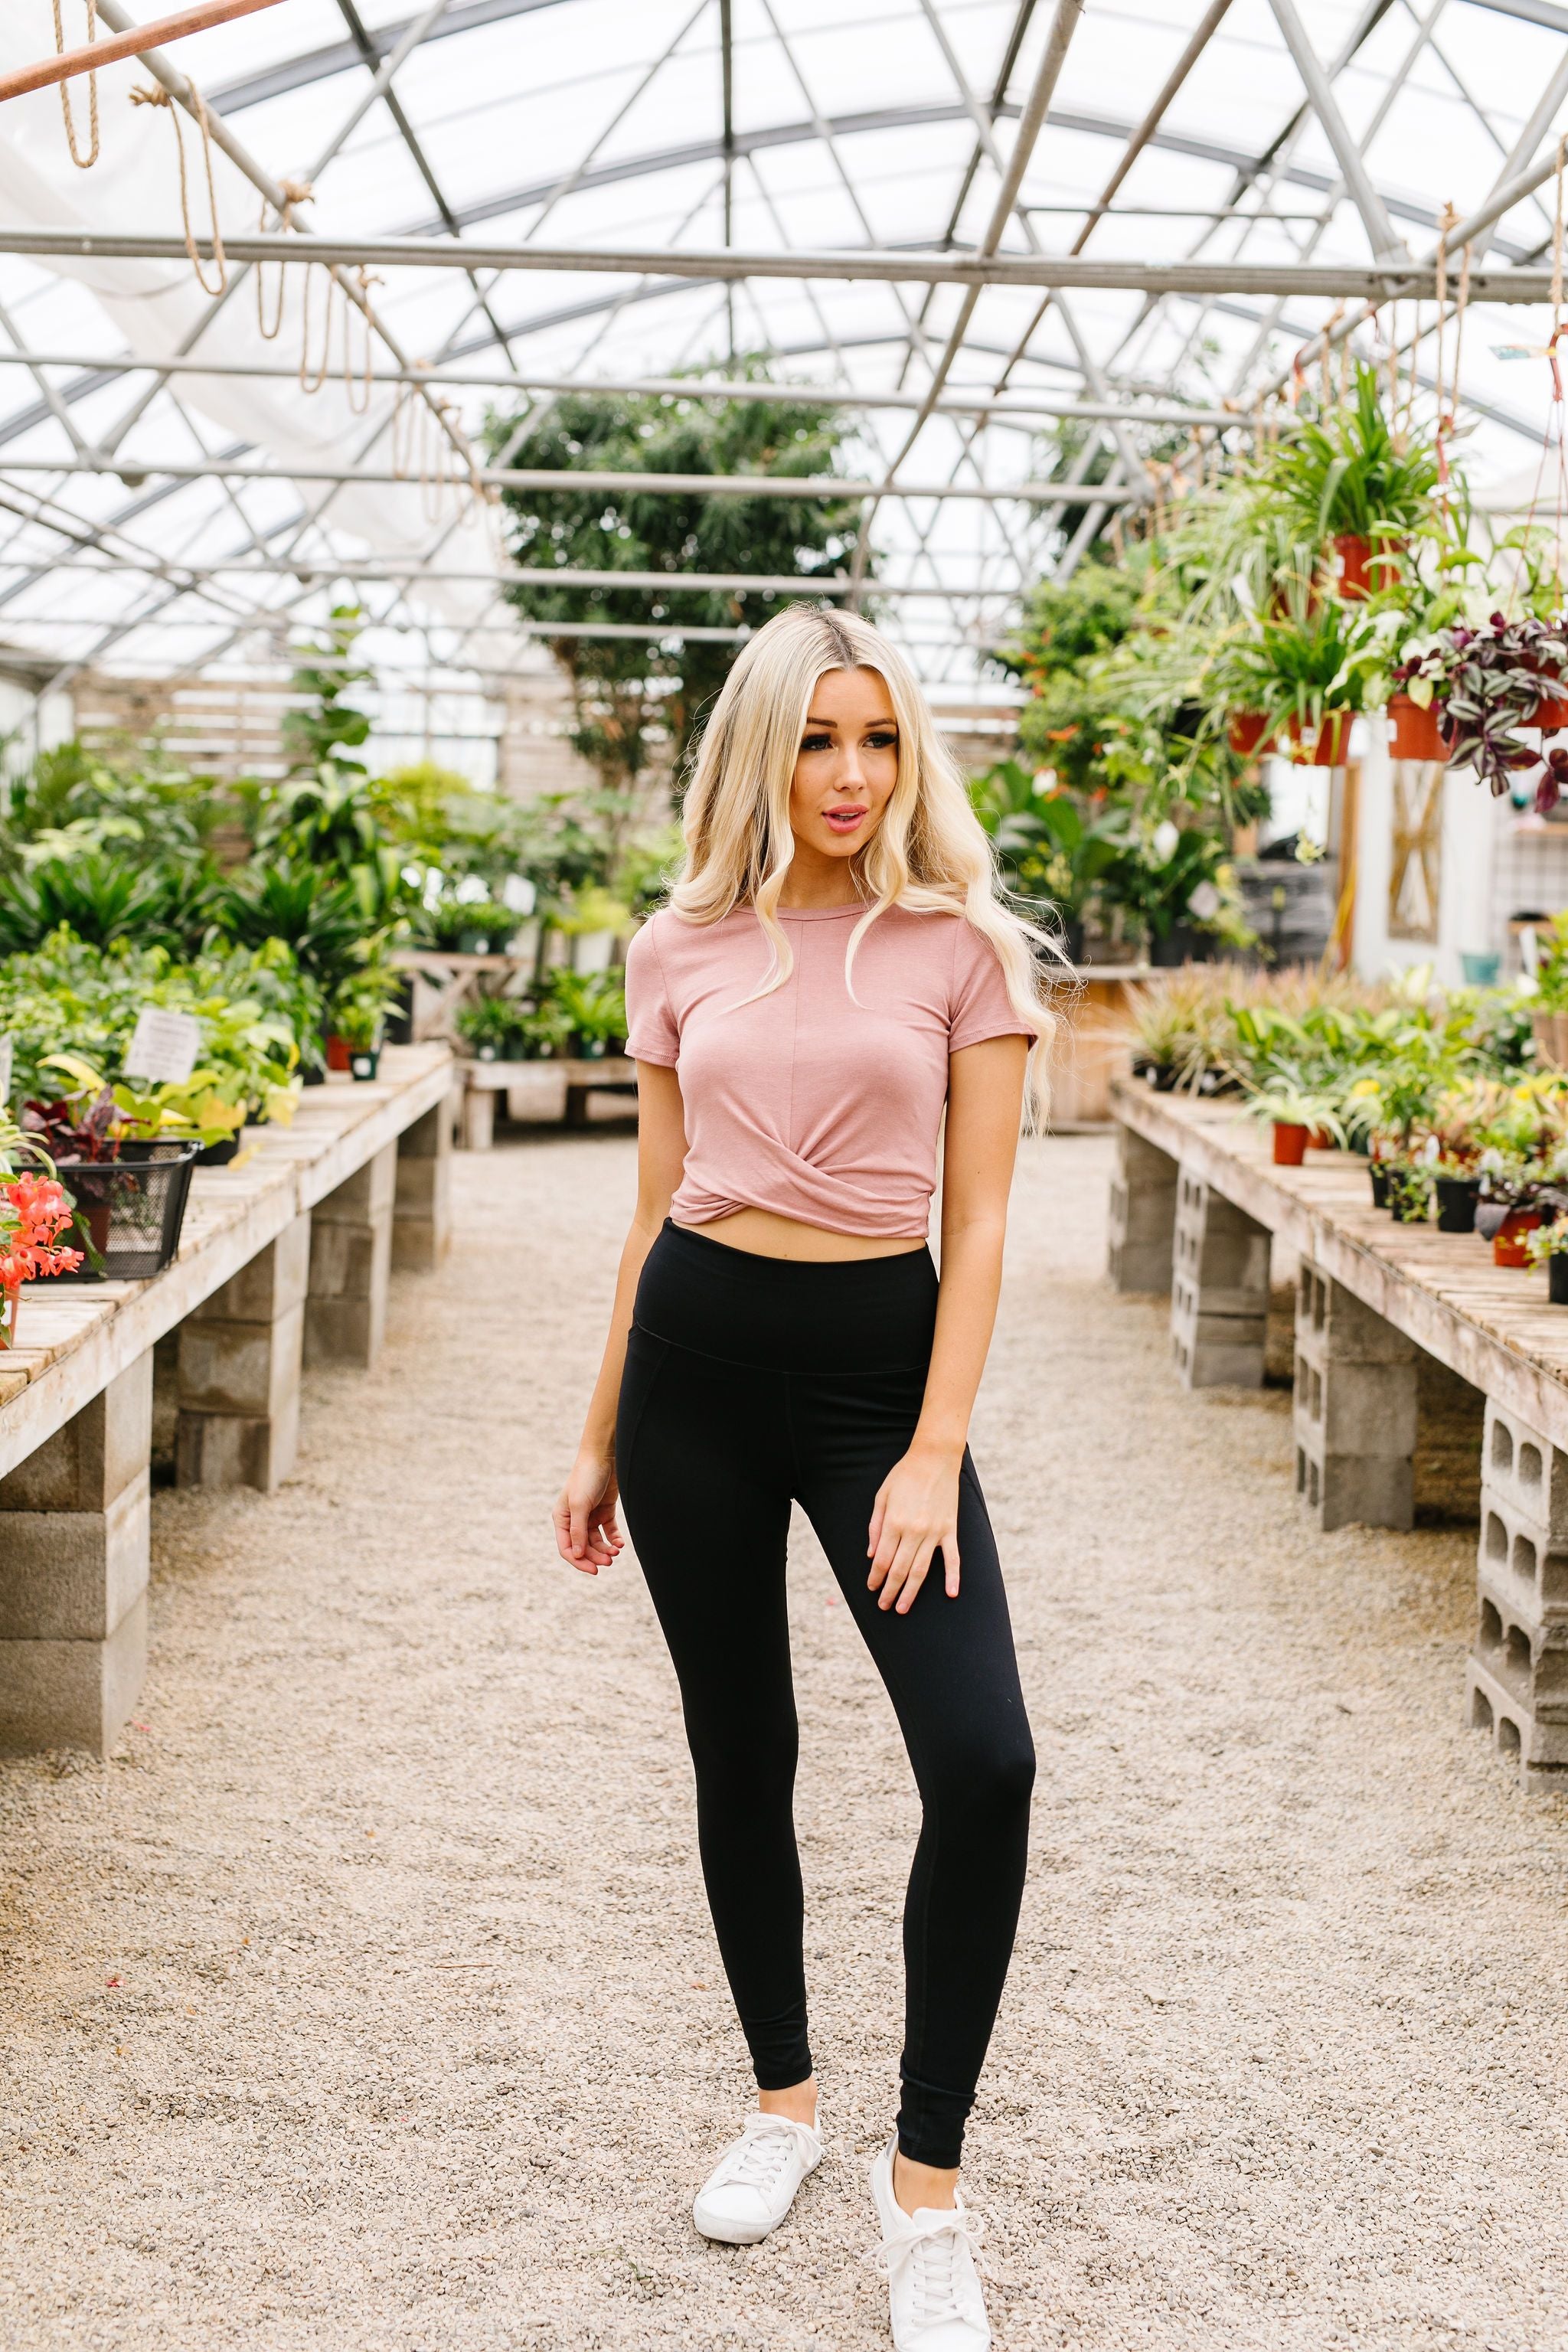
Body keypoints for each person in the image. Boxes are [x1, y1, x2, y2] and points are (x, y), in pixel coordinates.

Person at [553, 604, 1054, 2352]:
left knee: (985, 1760)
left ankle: (924, 2191)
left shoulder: (961, 951)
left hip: (870, 1382)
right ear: (762, 749)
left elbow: (982, 1224)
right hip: (692, 1363)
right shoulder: (678, 944)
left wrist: (931, 1449)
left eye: (882, 739)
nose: (851, 775)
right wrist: (601, 1423)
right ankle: (782, 2102)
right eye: (820, 739)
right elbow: (648, 1209)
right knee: (739, 1746)